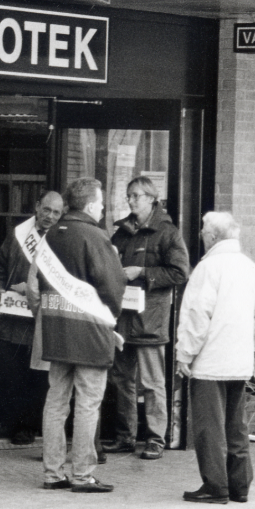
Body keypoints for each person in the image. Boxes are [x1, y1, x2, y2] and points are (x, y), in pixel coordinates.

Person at [35, 178, 125, 493]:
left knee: (56, 401)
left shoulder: (50, 235)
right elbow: (113, 285)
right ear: (89, 205)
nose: (102, 208)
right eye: (100, 203)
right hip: (90, 331)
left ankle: (52, 474)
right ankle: (82, 475)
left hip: (57, 328)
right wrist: (112, 317)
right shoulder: (95, 236)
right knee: (88, 402)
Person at [176, 211, 255, 504]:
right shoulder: (251, 268)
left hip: (210, 362)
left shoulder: (208, 268)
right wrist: (245, 342)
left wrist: (185, 354)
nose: (201, 236)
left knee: (209, 427)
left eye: (203, 232)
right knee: (235, 425)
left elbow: (197, 316)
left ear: (213, 237)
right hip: (239, 360)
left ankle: (216, 486)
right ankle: (240, 485)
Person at [103, 176, 190, 460]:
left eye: (136, 196)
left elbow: (180, 273)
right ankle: (125, 437)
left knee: (152, 382)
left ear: (152, 199)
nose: (130, 200)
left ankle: (155, 439)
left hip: (150, 318)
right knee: (121, 380)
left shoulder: (167, 232)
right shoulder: (122, 232)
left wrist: (142, 272)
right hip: (123, 316)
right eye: (128, 195)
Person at [0, 190, 64, 444]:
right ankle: (9, 422)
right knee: (10, 373)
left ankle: (27, 428)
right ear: (37, 206)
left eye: (56, 212)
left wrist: (32, 288)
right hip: (11, 320)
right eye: (46, 210)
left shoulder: (62, 240)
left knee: (36, 378)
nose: (50, 216)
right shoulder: (19, 233)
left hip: (39, 321)